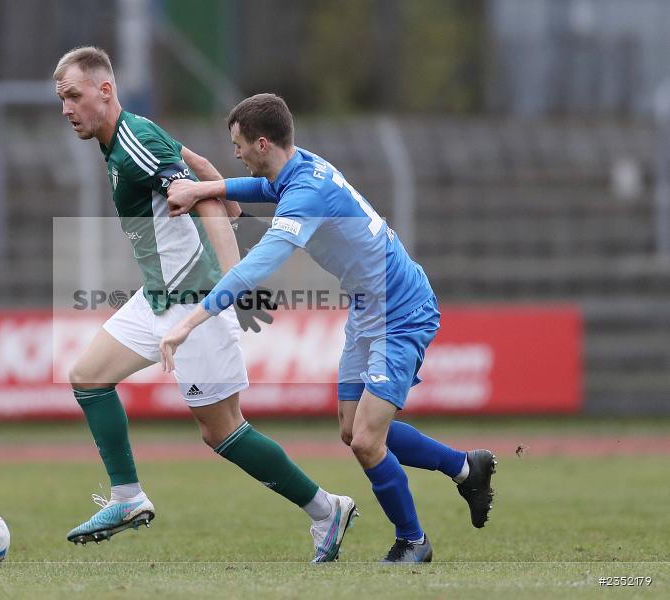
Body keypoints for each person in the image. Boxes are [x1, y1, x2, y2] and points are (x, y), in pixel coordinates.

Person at [159, 93, 497, 563]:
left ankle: (413, 542)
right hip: (368, 307)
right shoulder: (299, 167)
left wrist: (189, 323)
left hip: (401, 310)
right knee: (351, 430)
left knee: (366, 441)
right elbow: (262, 190)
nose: (234, 154)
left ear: (261, 144)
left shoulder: (305, 195)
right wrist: (203, 190)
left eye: (237, 145)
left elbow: (256, 267)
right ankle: (466, 468)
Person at [54, 48, 357, 562]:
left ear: (105, 91)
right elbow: (195, 169)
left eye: (73, 96)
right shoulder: (130, 136)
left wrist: (232, 277)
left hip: (193, 301)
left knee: (222, 432)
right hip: (157, 297)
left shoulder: (134, 143)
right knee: (87, 377)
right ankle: (128, 498)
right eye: (62, 99)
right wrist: (225, 192)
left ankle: (327, 509)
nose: (66, 109)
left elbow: (202, 199)